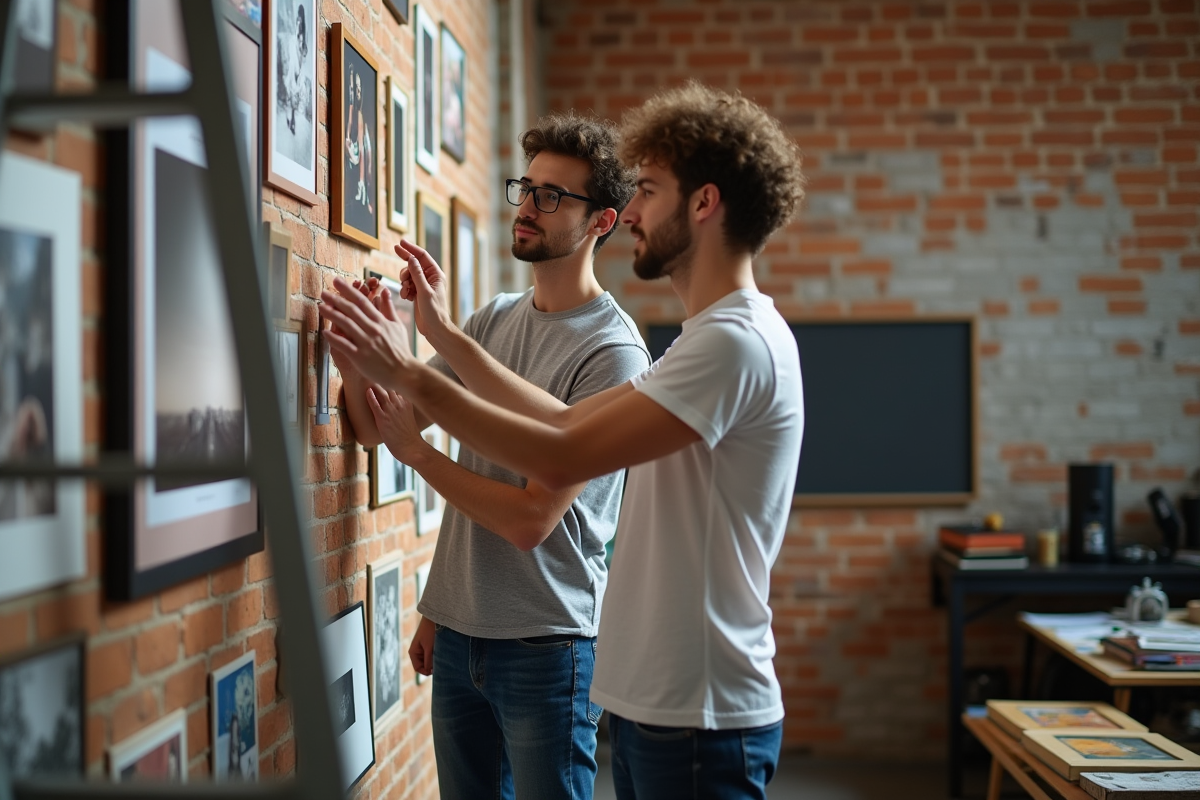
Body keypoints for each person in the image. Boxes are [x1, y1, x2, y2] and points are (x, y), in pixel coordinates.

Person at [320, 82, 806, 800]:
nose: (635, 211)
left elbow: (553, 464)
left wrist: (416, 389)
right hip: (655, 700)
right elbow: (564, 425)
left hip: (690, 705)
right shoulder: (705, 341)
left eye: (647, 189)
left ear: (703, 203)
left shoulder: (727, 345)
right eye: (529, 190)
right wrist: (419, 349)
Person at [330, 112, 647, 800]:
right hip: (461, 636)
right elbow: (379, 425)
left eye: (552, 196)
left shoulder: (613, 353)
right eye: (526, 188)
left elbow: (532, 521)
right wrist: (359, 358)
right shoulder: (493, 320)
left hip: (548, 646)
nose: (528, 208)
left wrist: (420, 456)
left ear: (603, 222)